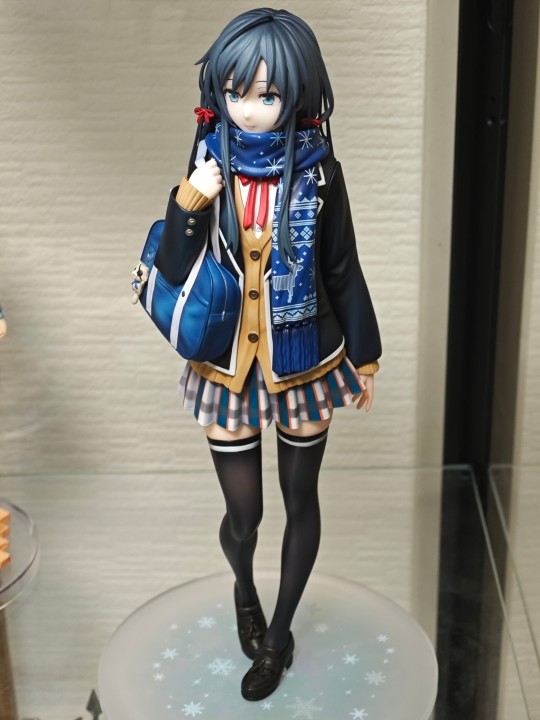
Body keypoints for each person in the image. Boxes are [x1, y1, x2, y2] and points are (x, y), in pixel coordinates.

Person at [150, 8, 381, 701]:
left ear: (298, 93)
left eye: (269, 93)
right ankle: (244, 591)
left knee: (300, 498)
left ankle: (277, 638)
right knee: (243, 517)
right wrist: (190, 202)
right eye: (236, 91)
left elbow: (342, 267)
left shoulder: (320, 171)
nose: (250, 108)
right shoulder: (208, 161)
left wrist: (366, 354)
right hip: (227, 365)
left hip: (306, 360)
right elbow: (172, 270)